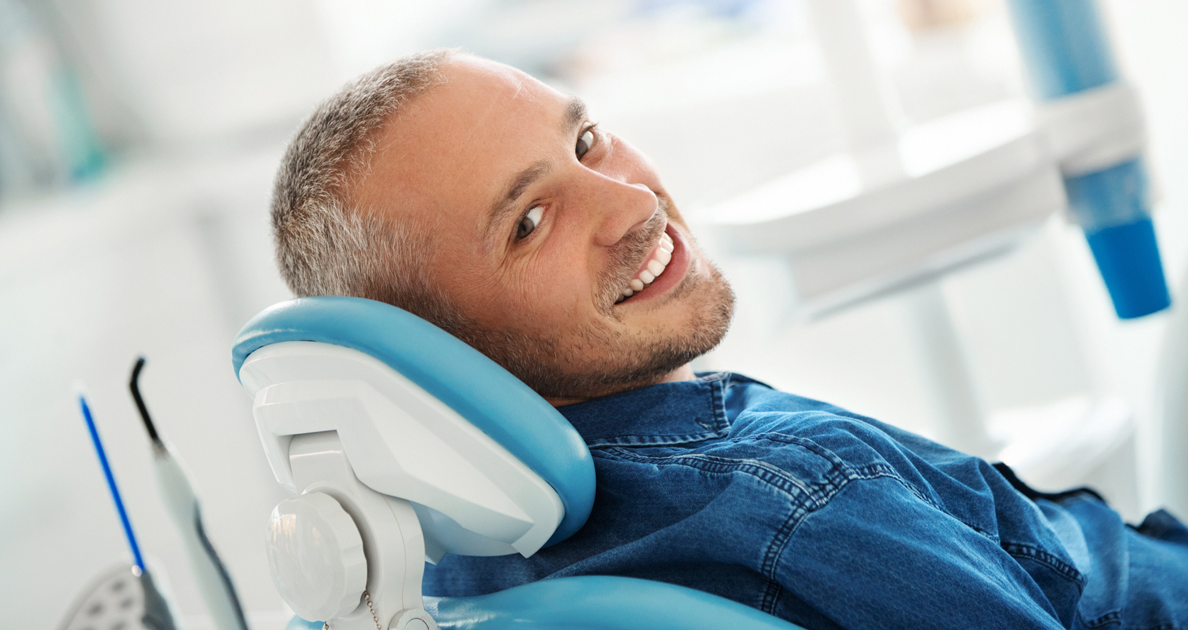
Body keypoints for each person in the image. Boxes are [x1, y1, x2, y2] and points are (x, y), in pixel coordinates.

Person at [268, 49, 1188, 629]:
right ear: (437, 350)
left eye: (587, 141)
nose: (631, 201)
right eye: (531, 221)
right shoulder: (801, 494)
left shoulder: (457, 576)